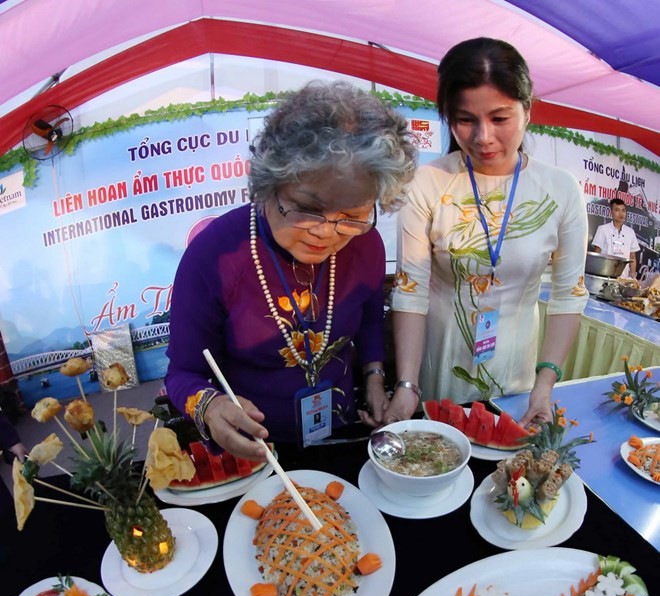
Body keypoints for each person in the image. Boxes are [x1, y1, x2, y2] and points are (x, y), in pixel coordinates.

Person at [164, 81, 417, 460]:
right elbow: (182, 373)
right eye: (307, 208)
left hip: (342, 433)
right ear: (269, 184)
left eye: (352, 216)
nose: (325, 232)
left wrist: (375, 378)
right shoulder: (214, 256)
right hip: (253, 452)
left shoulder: (365, 244)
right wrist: (210, 407)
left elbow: (367, 322)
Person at [384, 37, 589, 428]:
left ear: (527, 110)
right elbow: (411, 290)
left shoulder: (561, 190)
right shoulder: (428, 183)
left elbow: (568, 295)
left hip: (518, 368)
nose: (483, 137)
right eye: (465, 120)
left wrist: (544, 384)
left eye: (499, 118)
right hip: (439, 358)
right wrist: (407, 383)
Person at [591, 197, 640, 280]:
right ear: (611, 212)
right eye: (617, 210)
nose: (621, 214)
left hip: (623, 278)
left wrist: (633, 277)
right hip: (604, 276)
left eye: (623, 210)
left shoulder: (630, 232)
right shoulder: (603, 229)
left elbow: (632, 257)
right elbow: (597, 253)